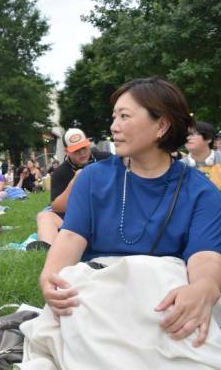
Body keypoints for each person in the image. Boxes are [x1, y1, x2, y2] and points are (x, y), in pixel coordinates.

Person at [34, 78, 221, 366]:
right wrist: (50, 277)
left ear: (162, 126)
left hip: (161, 302)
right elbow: (70, 237)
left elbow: (204, 255)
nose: (114, 126)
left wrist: (204, 286)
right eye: (114, 117)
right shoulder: (92, 180)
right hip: (100, 296)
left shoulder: (201, 192)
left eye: (125, 116)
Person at [33, 128, 111, 248]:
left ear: (88, 144)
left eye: (84, 148)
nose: (82, 153)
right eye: (76, 150)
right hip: (77, 221)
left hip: (106, 214)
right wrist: (74, 182)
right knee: (44, 215)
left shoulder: (106, 159)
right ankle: (50, 249)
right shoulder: (60, 173)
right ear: (67, 151)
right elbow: (57, 207)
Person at [182, 120, 221, 189]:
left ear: (208, 138)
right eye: (186, 135)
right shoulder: (180, 166)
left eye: (193, 134)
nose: (188, 138)